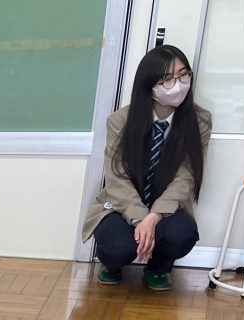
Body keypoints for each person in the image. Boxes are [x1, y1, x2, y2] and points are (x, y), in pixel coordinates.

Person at [84, 44, 212, 291]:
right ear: (149, 84)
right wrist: (140, 218)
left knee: (182, 234)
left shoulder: (200, 121)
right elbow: (117, 178)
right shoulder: (120, 121)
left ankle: (159, 267)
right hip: (122, 205)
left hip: (167, 207)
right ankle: (112, 265)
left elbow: (186, 177)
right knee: (115, 247)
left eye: (183, 75)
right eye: (167, 79)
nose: (179, 85)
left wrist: (153, 217)